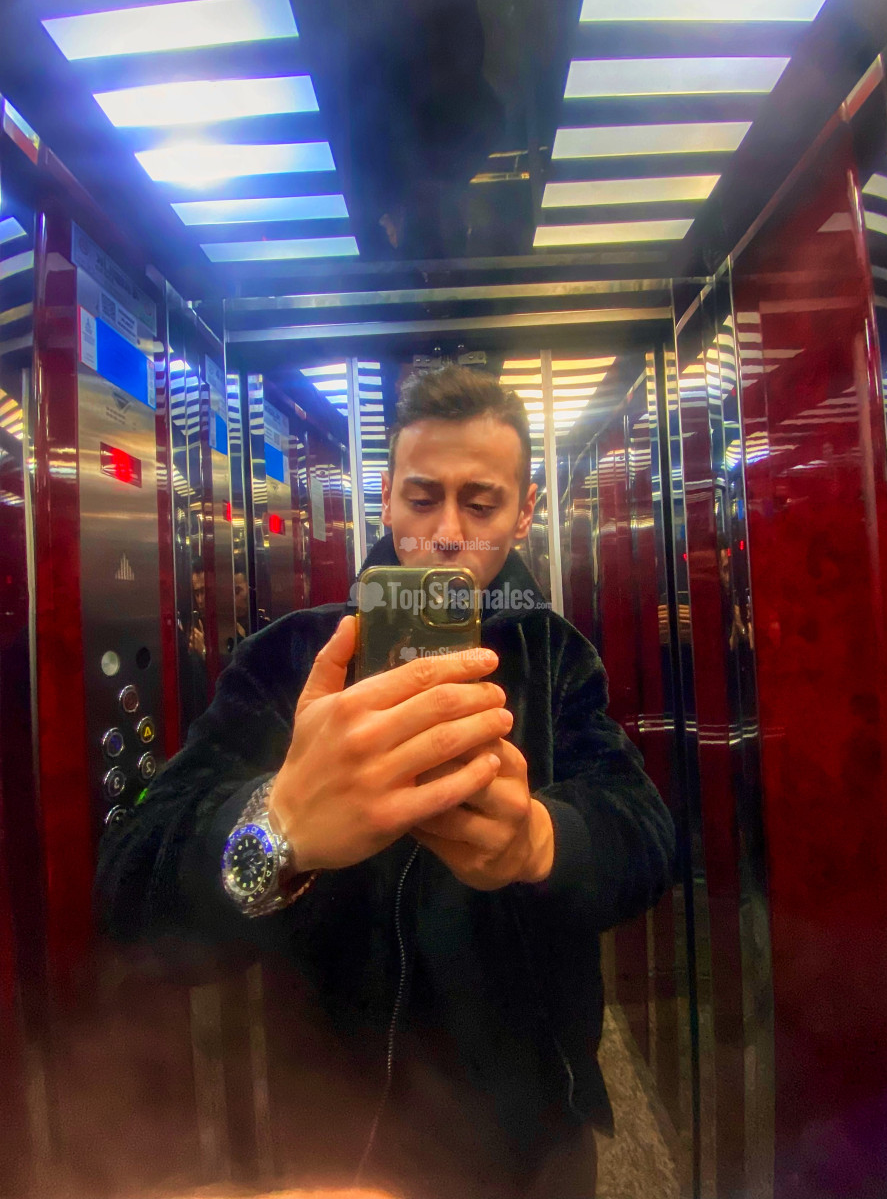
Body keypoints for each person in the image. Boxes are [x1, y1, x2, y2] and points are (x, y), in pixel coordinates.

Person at [96, 366, 677, 1199]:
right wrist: (276, 825)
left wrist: (541, 841)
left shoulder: (556, 658)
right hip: (334, 1127)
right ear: (386, 499)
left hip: (531, 1130)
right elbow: (131, 889)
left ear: (524, 513)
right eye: (421, 498)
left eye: (481, 505)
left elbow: (645, 835)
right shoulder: (288, 659)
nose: (446, 534)